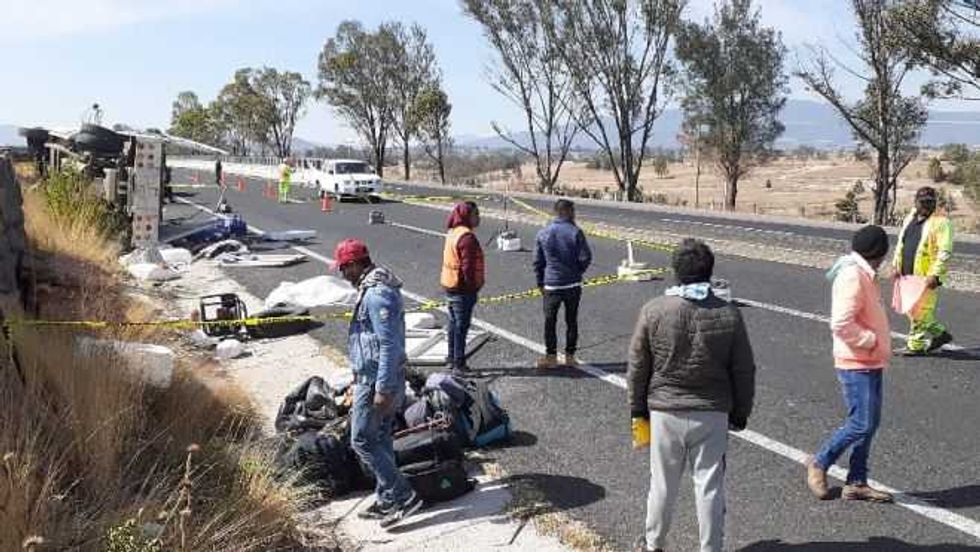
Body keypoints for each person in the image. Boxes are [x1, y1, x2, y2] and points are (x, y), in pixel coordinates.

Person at [628, 239, 756, 552]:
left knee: (662, 485)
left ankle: (653, 543)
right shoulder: (728, 314)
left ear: (675, 272)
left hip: (665, 411)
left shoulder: (654, 310)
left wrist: (637, 410)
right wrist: (740, 412)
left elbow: (637, 366)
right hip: (712, 413)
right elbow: (744, 369)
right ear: (709, 272)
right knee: (710, 488)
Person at [333, 238, 424, 528]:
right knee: (381, 439)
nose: (342, 274)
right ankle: (387, 500)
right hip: (371, 378)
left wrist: (383, 389)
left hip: (376, 382)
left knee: (361, 439)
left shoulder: (377, 294)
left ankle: (404, 495)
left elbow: (389, 345)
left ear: (358, 264)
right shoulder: (371, 288)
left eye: (344, 267)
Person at [807, 225, 894, 503]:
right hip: (856, 360)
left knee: (870, 423)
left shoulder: (863, 273)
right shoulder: (853, 276)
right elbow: (841, 323)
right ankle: (820, 462)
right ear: (878, 254)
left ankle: (857, 481)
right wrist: (869, 340)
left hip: (870, 359)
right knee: (861, 423)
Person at [890, 186, 954, 356]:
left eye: (930, 202)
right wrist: (896, 264)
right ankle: (940, 334)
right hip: (907, 273)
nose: (927, 206)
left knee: (920, 310)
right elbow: (901, 243)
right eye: (923, 202)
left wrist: (935, 274)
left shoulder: (942, 222)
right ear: (916, 202)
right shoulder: (910, 218)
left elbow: (944, 252)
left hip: (927, 276)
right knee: (911, 309)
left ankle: (915, 346)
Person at [533, 199, 592, 368]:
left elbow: (537, 262)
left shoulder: (543, 233)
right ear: (568, 212)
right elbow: (585, 257)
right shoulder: (575, 232)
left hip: (551, 284)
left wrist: (540, 282)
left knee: (549, 321)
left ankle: (551, 357)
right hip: (572, 285)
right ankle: (570, 356)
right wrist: (577, 272)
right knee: (571, 320)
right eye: (573, 211)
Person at [440, 201, 485, 372]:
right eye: (476, 214)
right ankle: (459, 363)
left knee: (453, 324)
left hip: (450, 285)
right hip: (462, 289)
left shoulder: (453, 232)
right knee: (461, 327)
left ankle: (451, 358)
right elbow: (468, 267)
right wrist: (473, 287)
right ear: (467, 216)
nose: (478, 217)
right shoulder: (467, 238)